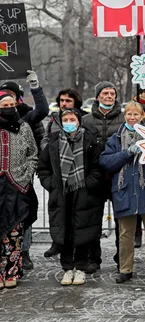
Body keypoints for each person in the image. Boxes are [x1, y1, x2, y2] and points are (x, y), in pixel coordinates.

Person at [100, 101, 145, 284]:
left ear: (142, 116)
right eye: (129, 114)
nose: (132, 117)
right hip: (125, 190)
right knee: (125, 234)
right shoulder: (115, 138)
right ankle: (125, 269)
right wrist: (127, 152)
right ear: (125, 116)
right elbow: (107, 163)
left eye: (136, 114)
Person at [38, 108, 105, 286]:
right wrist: (51, 185)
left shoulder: (90, 141)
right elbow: (43, 167)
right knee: (64, 231)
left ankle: (81, 268)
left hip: (83, 191)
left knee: (82, 230)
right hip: (61, 193)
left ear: (79, 121)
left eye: (72, 119)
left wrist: (88, 184)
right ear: (61, 122)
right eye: (65, 119)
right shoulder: (53, 142)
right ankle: (67, 268)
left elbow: (98, 168)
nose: (69, 122)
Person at [1, 71, 47, 271]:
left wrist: (35, 87)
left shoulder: (25, 119)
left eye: (12, 99)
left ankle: (21, 255)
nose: (9, 105)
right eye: (4, 101)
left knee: (21, 218)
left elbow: (42, 110)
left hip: (19, 180)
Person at [82, 81, 128, 272]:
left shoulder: (126, 118)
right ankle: (94, 258)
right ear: (98, 96)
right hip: (95, 176)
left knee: (122, 220)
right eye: (105, 93)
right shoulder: (86, 120)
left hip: (119, 174)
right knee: (94, 219)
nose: (109, 96)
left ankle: (122, 258)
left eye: (112, 93)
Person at [0, 91, 38, 289]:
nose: (7, 108)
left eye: (10, 105)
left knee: (15, 231)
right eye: (3, 105)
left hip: (17, 185)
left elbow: (33, 153)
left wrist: (26, 175)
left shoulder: (24, 128)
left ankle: (12, 271)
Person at [42, 88, 86, 258]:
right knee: (57, 211)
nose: (64, 104)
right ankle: (57, 243)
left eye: (68, 101)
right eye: (61, 101)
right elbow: (46, 138)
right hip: (57, 171)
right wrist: (50, 152)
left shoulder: (81, 118)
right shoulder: (54, 119)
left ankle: (80, 250)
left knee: (78, 213)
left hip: (77, 172)